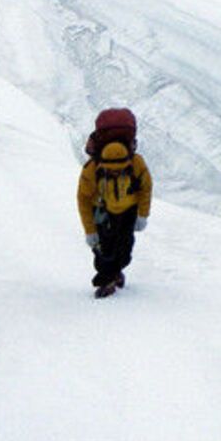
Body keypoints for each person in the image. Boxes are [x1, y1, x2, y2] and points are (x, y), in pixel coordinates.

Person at [77, 108, 153, 299]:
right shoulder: (92, 169)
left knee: (125, 248)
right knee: (104, 250)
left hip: (128, 211)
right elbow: (84, 199)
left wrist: (142, 214)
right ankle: (107, 280)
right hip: (102, 212)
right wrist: (90, 231)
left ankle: (116, 271)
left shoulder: (136, 164)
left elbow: (145, 187)